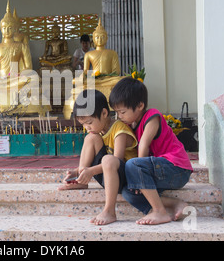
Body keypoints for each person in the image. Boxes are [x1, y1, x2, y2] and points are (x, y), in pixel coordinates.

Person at [109, 77, 193, 225]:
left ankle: (159, 211)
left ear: (140, 105)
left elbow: (143, 146)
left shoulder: (152, 116)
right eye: (117, 113)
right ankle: (174, 204)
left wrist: (136, 171)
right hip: (159, 172)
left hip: (177, 169)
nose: (119, 117)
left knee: (133, 165)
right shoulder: (131, 126)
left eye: (122, 112)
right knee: (128, 192)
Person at [58, 89, 138, 225]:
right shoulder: (98, 131)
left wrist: (92, 171)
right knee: (91, 138)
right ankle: (81, 181)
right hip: (108, 177)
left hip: (126, 179)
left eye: (89, 122)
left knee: (109, 159)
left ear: (104, 113)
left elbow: (116, 161)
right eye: (83, 124)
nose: (87, 127)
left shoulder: (119, 130)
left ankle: (109, 211)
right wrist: (79, 171)